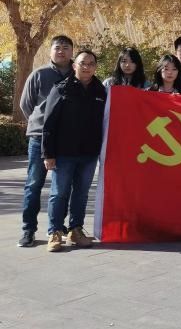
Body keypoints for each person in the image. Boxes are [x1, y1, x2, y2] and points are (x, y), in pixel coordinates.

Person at [41, 49, 106, 252]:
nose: (87, 67)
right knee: (59, 193)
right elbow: (49, 124)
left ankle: (75, 230)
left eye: (91, 63)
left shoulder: (101, 91)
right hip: (64, 153)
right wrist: (48, 154)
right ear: (74, 65)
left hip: (89, 154)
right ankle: (54, 231)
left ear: (95, 67)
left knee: (81, 194)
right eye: (82, 63)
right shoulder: (61, 88)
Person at [17, 35, 74, 248]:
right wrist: (40, 122)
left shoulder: (78, 74)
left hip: (66, 139)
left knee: (63, 186)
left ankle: (59, 226)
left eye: (66, 48)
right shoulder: (39, 74)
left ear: (71, 51)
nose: (61, 51)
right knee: (34, 184)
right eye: (57, 47)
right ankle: (28, 230)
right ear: (51, 51)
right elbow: (26, 105)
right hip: (39, 138)